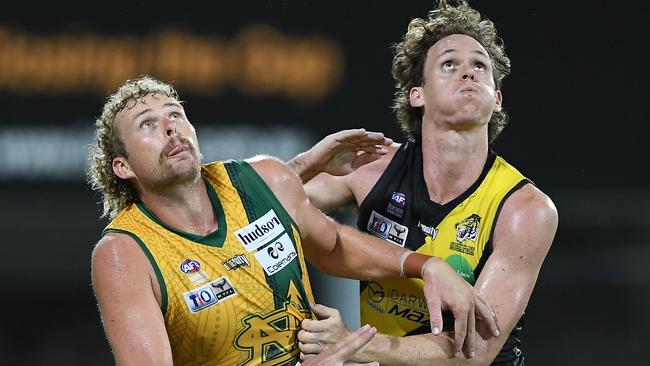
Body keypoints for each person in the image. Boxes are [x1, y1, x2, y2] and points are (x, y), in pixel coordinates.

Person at [87, 75, 499, 365]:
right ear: (123, 167)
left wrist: (425, 265)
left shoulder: (261, 178)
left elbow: (334, 245)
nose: (172, 130)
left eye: (175, 114)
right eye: (148, 125)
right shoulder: (124, 253)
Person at [292, 1, 558, 364]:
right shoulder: (369, 168)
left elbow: (475, 355)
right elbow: (260, 203)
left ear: (496, 99)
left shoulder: (525, 208)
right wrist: (307, 163)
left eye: (480, 66)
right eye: (449, 64)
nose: (469, 73)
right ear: (418, 94)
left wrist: (353, 344)